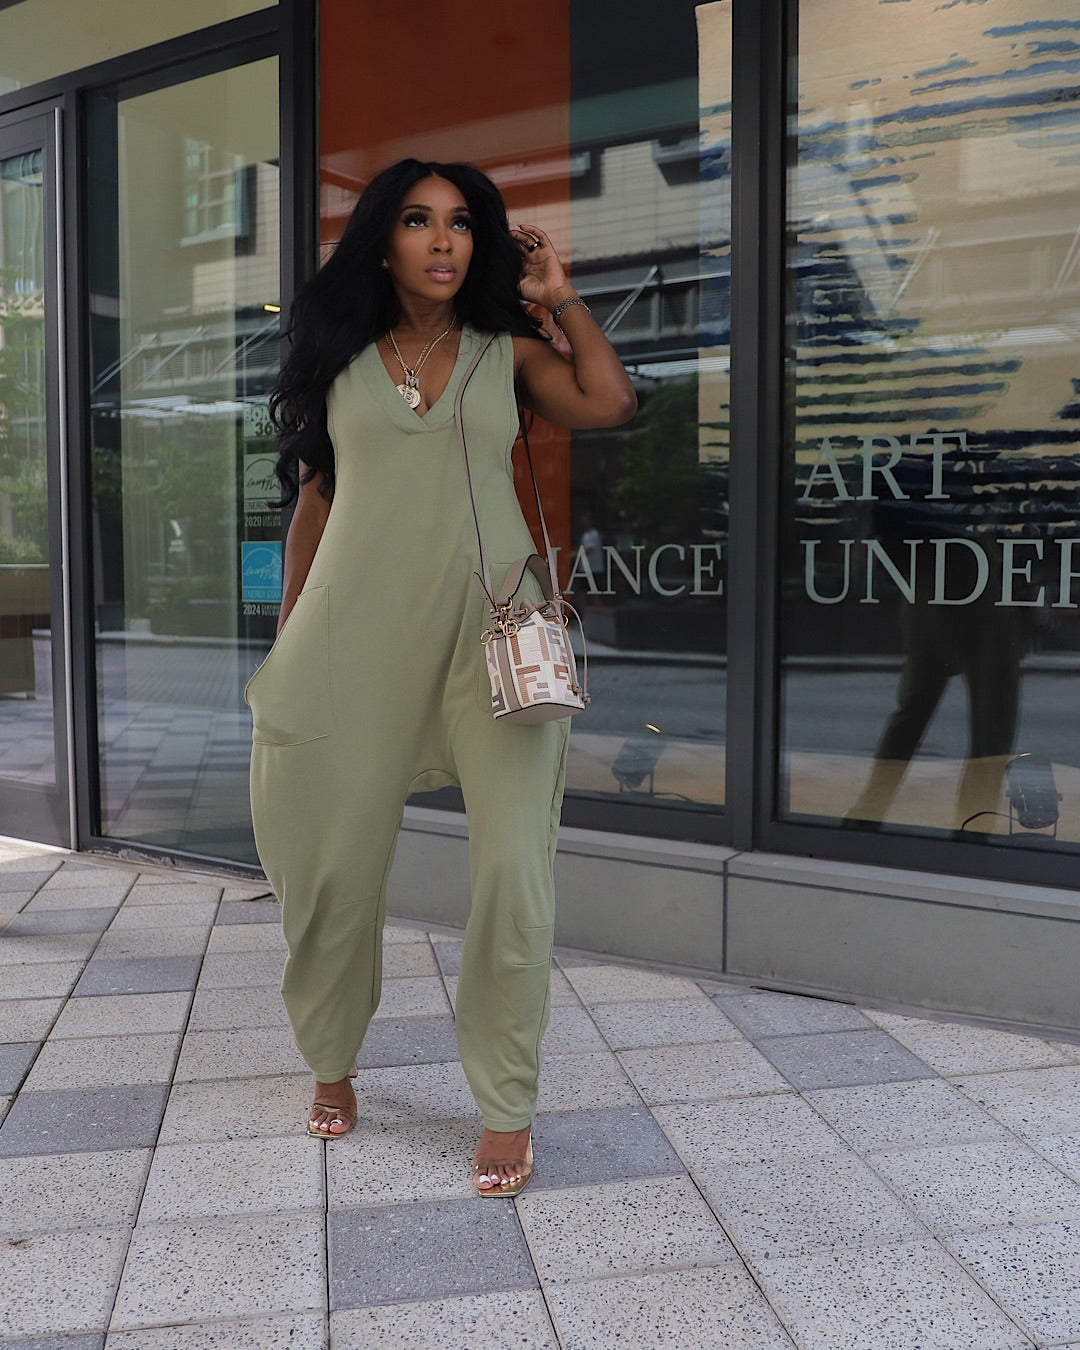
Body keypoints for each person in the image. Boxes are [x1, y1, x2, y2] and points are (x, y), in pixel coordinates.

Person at [246, 159, 636, 1196]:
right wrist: (291, 631)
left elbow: (606, 399)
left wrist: (561, 299)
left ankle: (506, 1106)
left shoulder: (509, 353)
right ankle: (331, 1058)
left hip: (494, 632)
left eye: (462, 223)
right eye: (419, 220)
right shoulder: (339, 360)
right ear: (384, 241)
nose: (443, 240)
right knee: (329, 870)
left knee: (513, 871)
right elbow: (316, 503)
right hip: (354, 633)